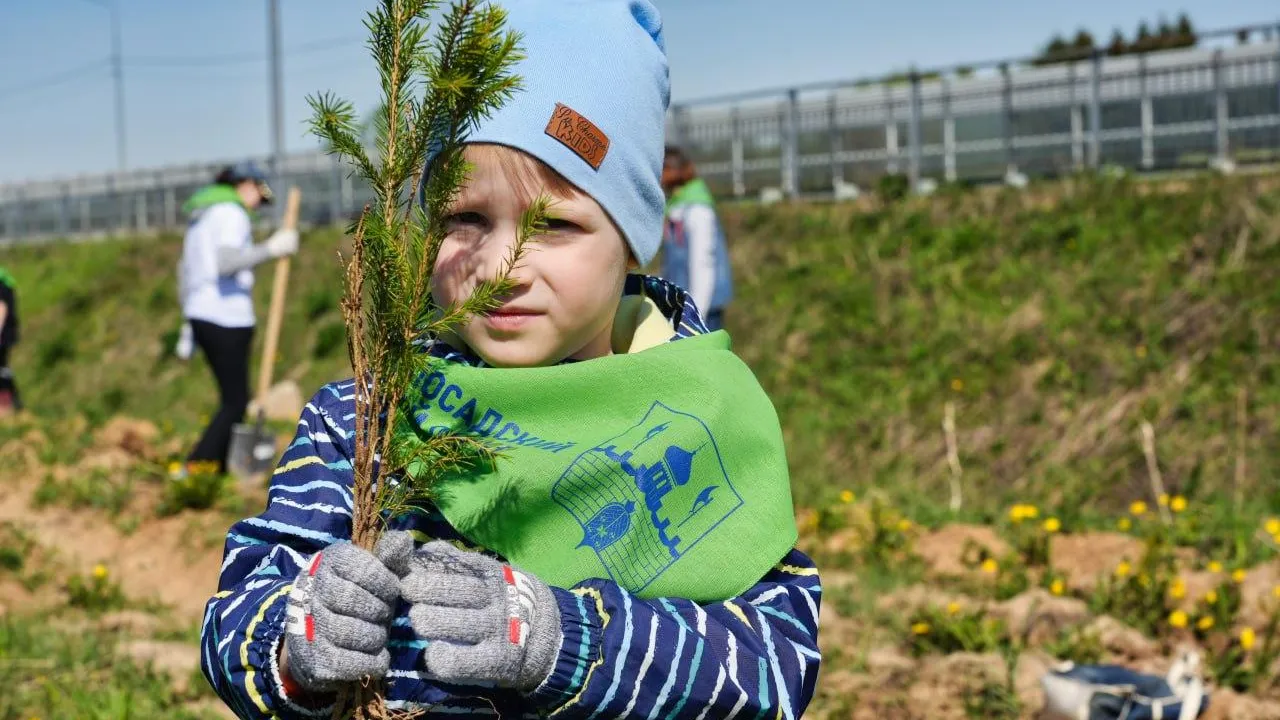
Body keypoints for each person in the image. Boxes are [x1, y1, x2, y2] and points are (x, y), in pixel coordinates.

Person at [200, 3, 819, 719]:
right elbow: (236, 613)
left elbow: (775, 671)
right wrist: (292, 643)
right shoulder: (366, 420)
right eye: (464, 218)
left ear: (632, 240)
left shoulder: (698, 418)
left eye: (553, 223)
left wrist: (568, 641)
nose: (500, 267)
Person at [175, 161, 298, 476]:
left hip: (203, 314)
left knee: (232, 399)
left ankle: (215, 468)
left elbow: (185, 271)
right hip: (226, 318)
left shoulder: (203, 215)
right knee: (235, 402)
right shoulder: (232, 214)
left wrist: (188, 323)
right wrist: (272, 248)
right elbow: (227, 263)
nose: (258, 204)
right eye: (259, 195)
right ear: (245, 185)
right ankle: (197, 467)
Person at [661, 145, 734, 331]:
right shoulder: (677, 206)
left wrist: (694, 316)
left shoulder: (697, 210)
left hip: (701, 307)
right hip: (683, 305)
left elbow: (703, 264)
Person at [0, 266, 20, 414]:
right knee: (3, 368)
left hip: (2, 335)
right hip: (7, 334)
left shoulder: (1, 285)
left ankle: (6, 407)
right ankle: (12, 405)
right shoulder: (6, 283)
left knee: (2, 369)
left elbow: (1, 309)